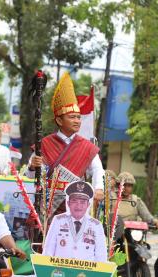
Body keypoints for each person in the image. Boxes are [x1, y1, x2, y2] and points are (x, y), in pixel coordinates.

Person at [28, 72, 105, 216]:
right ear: (59, 120)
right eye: (72, 117)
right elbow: (32, 176)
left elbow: (97, 169)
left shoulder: (87, 147)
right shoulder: (44, 143)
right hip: (47, 206)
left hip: (76, 205)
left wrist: (99, 188)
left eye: (78, 117)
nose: (77, 121)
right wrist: (32, 166)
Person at [43, 180, 107, 261]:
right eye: (74, 201)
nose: (78, 205)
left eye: (82, 202)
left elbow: (101, 257)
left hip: (85, 273)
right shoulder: (58, 221)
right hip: (60, 271)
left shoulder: (96, 225)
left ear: (88, 205)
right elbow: (48, 251)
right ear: (68, 203)